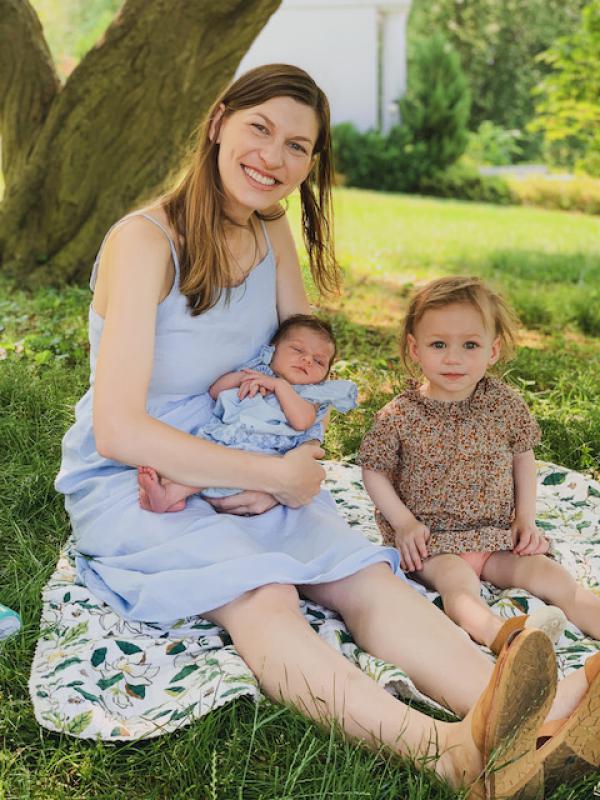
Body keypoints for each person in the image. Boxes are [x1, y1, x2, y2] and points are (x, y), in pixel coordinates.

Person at [54, 64, 599, 796]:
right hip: (145, 473)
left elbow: (305, 369)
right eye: (259, 129)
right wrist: (272, 477)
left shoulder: (271, 229)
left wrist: (297, 456)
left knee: (362, 575)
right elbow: (119, 429)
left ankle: (540, 715)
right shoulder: (144, 241)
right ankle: (445, 753)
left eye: (297, 146)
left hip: (254, 448)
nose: (273, 158)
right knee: (264, 595)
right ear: (217, 122)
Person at [358, 276, 600, 655]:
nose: (453, 358)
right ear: (415, 348)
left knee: (550, 575)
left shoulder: (503, 403)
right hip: (432, 542)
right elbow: (374, 469)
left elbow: (523, 456)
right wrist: (403, 524)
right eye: (439, 344)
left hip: (495, 536)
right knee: (459, 587)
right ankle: (505, 640)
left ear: (493, 350)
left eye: (470, 345)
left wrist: (525, 518)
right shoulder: (401, 414)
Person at [137, 313, 357, 511]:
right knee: (198, 461)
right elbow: (215, 391)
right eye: (298, 350)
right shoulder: (258, 372)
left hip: (262, 454)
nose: (307, 360)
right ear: (272, 350)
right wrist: (242, 378)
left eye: (318, 361)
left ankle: (170, 495)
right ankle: (168, 489)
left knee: (216, 468)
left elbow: (302, 422)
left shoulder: (310, 394)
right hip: (226, 440)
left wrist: (280, 387)